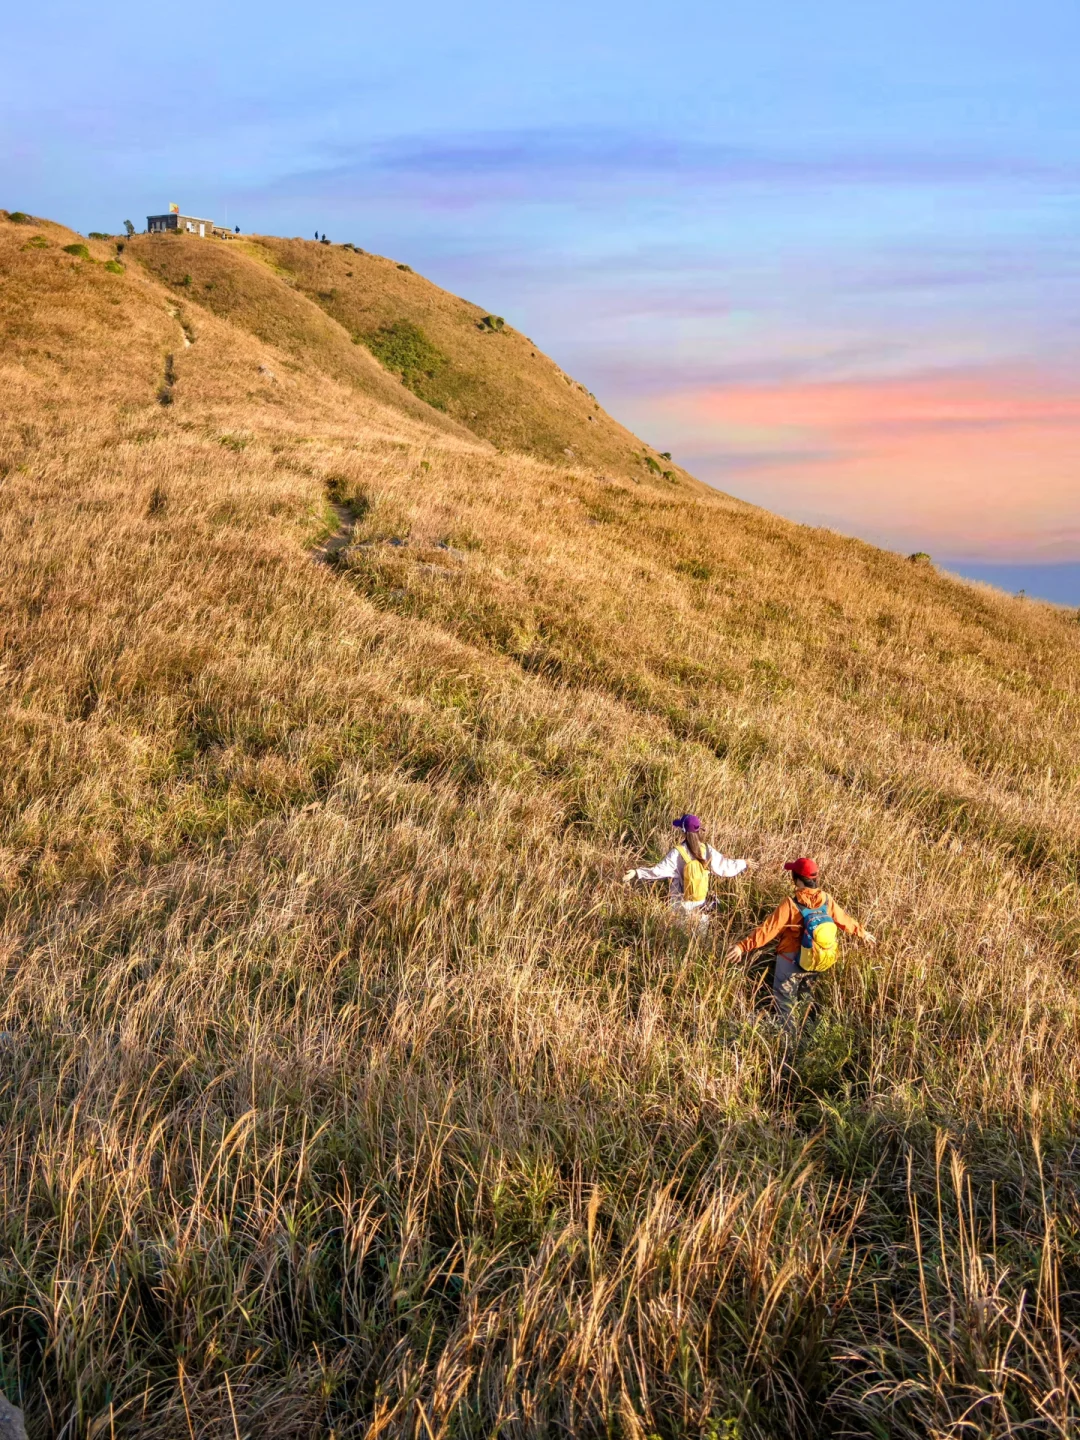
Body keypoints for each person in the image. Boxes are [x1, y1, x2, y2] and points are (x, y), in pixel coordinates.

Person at [725, 857, 876, 1030]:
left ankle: (789, 1045)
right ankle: (807, 1038)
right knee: (805, 1002)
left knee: (785, 1004)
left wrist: (743, 946)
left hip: (790, 961)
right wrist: (862, 933)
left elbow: (768, 930)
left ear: (797, 879)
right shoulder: (826, 900)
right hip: (816, 959)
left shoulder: (790, 904)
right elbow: (844, 920)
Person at [623, 814, 754, 928]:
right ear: (699, 830)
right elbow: (725, 867)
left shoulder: (677, 852)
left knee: (680, 944)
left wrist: (637, 872)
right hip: (701, 906)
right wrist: (744, 863)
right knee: (700, 943)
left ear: (683, 831)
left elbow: (658, 871)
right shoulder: (706, 850)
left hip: (681, 905)